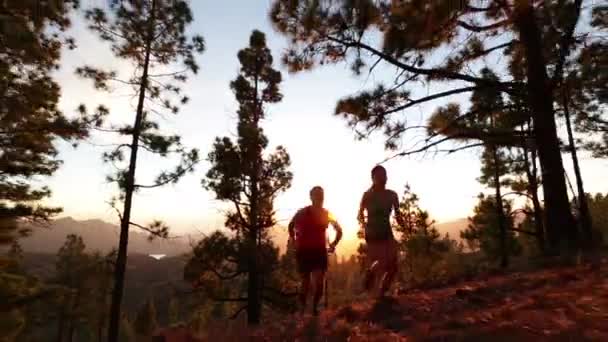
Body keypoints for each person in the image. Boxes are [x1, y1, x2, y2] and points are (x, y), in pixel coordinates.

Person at [288, 186, 343, 315]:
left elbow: (339, 230)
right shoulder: (302, 212)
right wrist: (293, 240)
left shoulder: (327, 213)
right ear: (311, 197)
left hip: (319, 251)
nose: (320, 197)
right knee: (305, 283)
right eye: (317, 195)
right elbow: (291, 225)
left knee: (319, 283)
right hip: (304, 251)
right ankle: (303, 309)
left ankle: (314, 309)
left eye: (321, 195)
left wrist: (334, 244)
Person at [358, 165, 404, 299]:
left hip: (387, 231)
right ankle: (371, 273)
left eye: (384, 175)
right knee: (383, 262)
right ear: (373, 178)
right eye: (379, 176)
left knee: (393, 266)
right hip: (373, 234)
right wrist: (365, 225)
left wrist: (406, 226)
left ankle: (382, 293)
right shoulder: (367, 195)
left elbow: (398, 214)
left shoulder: (392, 195)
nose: (383, 178)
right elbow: (360, 213)